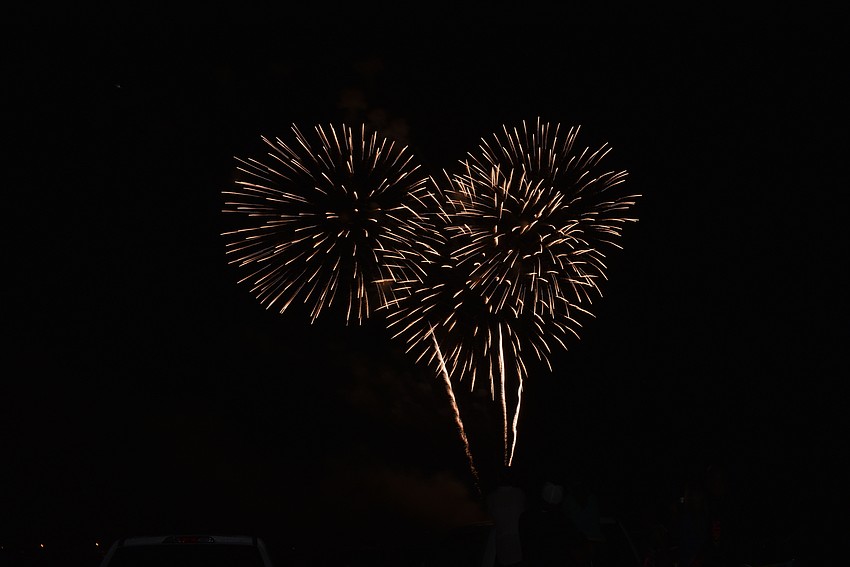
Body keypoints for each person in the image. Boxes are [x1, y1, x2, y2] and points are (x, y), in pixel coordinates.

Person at [482, 465, 527, 567]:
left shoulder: (491, 498)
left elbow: (490, 517)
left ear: (499, 478)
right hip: (518, 546)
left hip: (501, 547)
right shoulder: (519, 494)